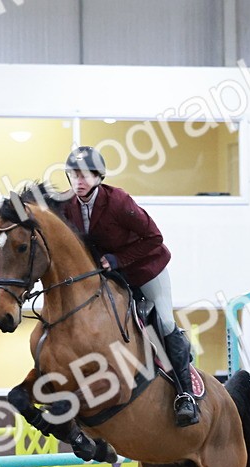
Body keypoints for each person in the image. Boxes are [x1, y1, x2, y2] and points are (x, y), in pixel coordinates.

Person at [60, 145, 200, 427]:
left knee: (163, 321)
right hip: (110, 276)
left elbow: (154, 238)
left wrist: (118, 259)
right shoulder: (67, 206)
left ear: (98, 177)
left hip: (145, 269)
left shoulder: (118, 201)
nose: (79, 180)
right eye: (74, 175)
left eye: (85, 175)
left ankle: (185, 395)